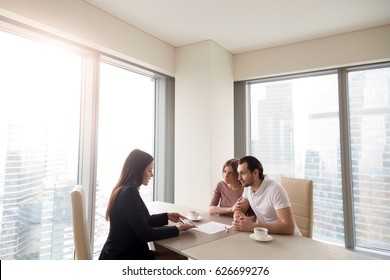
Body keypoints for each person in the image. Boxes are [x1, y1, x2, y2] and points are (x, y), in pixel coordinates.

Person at [99, 149, 195, 260]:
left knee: (177, 256)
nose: (152, 174)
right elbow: (146, 234)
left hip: (122, 252)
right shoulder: (129, 194)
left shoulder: (125, 190)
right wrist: (178, 229)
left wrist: (167, 216)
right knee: (180, 259)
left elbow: (144, 221)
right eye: (149, 170)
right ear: (138, 170)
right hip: (124, 256)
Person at [232, 156, 300, 235]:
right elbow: (240, 209)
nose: (239, 178)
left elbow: (289, 227)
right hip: (266, 236)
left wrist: (252, 227)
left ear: (255, 173)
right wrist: (238, 220)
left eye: (243, 173)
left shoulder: (275, 190)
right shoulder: (248, 187)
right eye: (238, 174)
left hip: (289, 239)